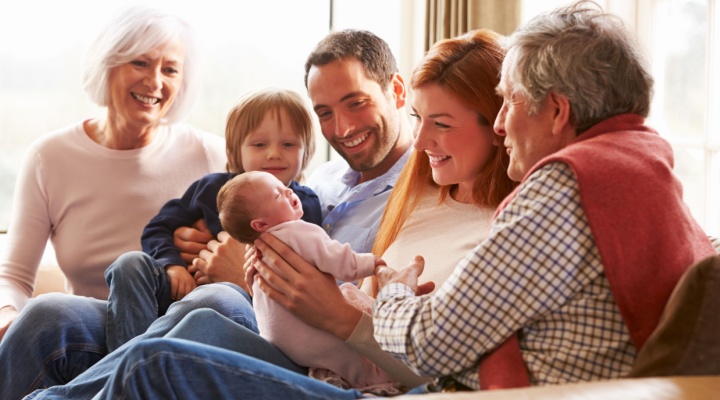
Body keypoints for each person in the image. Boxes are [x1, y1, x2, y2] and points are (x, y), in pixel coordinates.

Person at [83, 29, 518, 398]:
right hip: (311, 340)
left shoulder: (500, 229)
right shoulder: (393, 191)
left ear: (499, 124)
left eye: (441, 124)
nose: (422, 140)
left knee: (174, 338)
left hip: (353, 369)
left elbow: (436, 363)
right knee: (59, 320)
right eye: (325, 112)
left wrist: (259, 285)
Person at [4, 29, 417, 400]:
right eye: (324, 112)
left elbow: (363, 305)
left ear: (397, 92)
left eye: (356, 103)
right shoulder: (325, 179)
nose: (341, 127)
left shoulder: (418, 193)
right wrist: (180, 249)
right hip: (209, 302)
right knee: (49, 316)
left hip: (286, 331)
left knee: (211, 301)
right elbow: (221, 209)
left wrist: (243, 275)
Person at [372, 0, 720, 390]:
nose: (500, 124)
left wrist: (393, 293)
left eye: (510, 100)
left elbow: (429, 343)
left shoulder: (566, 189)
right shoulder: (643, 161)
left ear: (556, 111)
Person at [0, 3, 227, 342]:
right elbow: (14, 278)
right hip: (85, 335)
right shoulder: (49, 158)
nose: (154, 81)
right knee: (46, 315)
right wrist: (8, 316)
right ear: (107, 64)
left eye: (170, 70)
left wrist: (218, 248)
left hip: (181, 335)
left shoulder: (212, 154)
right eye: (141, 62)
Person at [103, 88, 322, 351]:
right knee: (129, 263)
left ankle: (130, 371)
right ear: (235, 151)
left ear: (306, 151)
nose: (274, 153)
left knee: (215, 298)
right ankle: (125, 362)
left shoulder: (304, 204)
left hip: (236, 306)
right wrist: (173, 267)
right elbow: (158, 227)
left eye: (288, 144)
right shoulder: (212, 189)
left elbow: (307, 267)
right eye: (259, 144)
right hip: (178, 289)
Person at [218, 170, 398, 392]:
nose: (288, 191)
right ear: (260, 225)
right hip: (312, 335)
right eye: (277, 195)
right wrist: (371, 263)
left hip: (278, 342)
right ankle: (368, 380)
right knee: (349, 352)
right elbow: (339, 261)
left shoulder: (257, 252)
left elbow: (261, 296)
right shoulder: (298, 232)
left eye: (284, 187)